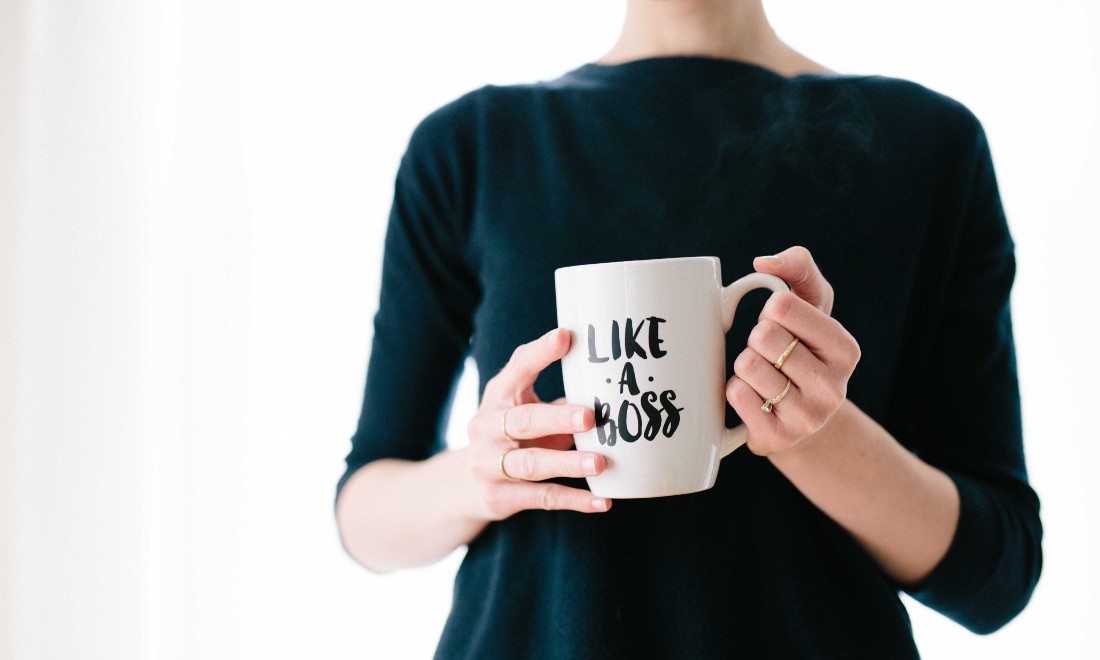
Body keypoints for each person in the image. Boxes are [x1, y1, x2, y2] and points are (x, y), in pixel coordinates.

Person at [334, 0, 1043, 657]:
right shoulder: (471, 148)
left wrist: (819, 437)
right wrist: (480, 476)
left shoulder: (929, 147)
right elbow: (364, 511)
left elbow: (997, 573)